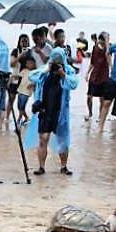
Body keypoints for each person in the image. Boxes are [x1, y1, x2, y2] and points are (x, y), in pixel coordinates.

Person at [27, 47, 79, 176]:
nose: (56, 63)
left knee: (63, 140)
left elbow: (74, 84)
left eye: (59, 60)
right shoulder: (45, 70)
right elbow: (31, 76)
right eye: (54, 59)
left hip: (61, 112)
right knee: (43, 138)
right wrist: (46, 69)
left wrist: (63, 75)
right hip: (45, 110)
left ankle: (64, 166)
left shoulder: (68, 70)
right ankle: (41, 167)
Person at [86, 33, 110, 122]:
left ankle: (100, 116)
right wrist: (87, 73)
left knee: (102, 99)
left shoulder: (108, 49)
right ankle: (90, 113)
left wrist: (107, 43)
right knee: (89, 97)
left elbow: (108, 57)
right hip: (94, 76)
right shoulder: (95, 48)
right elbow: (92, 62)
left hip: (104, 77)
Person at [97, 38, 116, 131]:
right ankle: (100, 127)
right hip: (114, 78)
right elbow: (108, 52)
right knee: (106, 102)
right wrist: (110, 65)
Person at [7, 34, 29, 118]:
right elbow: (12, 64)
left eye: (26, 41)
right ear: (19, 42)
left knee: (22, 101)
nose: (24, 43)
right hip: (15, 79)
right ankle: (7, 117)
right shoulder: (15, 51)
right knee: (11, 99)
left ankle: (21, 118)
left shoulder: (30, 52)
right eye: (22, 41)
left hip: (24, 80)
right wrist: (20, 56)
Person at [16, 53, 36, 123]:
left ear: (34, 64)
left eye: (31, 63)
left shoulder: (34, 72)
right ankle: (26, 117)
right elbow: (18, 77)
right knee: (19, 106)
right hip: (20, 90)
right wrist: (13, 76)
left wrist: (32, 84)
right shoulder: (24, 70)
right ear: (26, 64)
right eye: (28, 63)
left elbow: (37, 81)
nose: (30, 65)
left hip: (27, 92)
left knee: (22, 106)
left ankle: (19, 118)